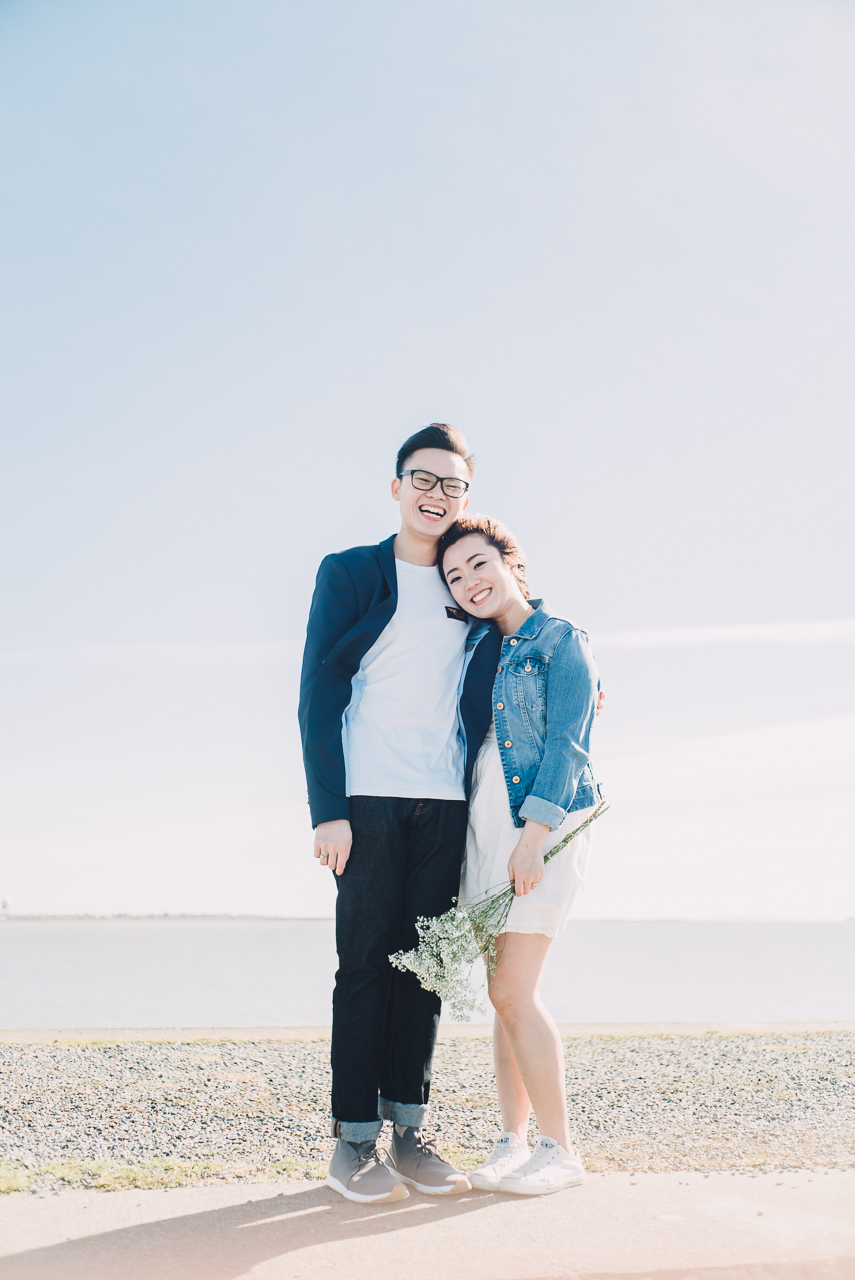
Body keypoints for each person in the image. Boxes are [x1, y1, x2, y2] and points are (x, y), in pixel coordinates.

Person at [298, 424, 502, 1203]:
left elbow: (521, 615)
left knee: (424, 969)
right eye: (424, 480)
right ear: (396, 486)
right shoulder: (351, 572)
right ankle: (353, 1142)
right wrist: (328, 810)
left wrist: (572, 669)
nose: (437, 496)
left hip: (446, 802)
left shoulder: (465, 578)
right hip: (368, 802)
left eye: (452, 485)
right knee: (363, 967)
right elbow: (318, 691)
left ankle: (410, 1130)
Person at [436, 514, 603, 1196]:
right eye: (454, 575)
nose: (469, 580)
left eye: (478, 564)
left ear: (509, 562)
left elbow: (568, 743)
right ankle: (510, 1142)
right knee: (502, 996)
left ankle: (559, 1148)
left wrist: (533, 838)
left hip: (538, 828)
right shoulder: (474, 648)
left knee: (513, 989)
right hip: (480, 829)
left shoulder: (561, 641)